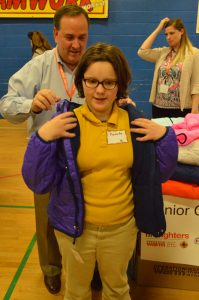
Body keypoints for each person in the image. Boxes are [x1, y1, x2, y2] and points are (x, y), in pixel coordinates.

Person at [22, 42, 178, 300]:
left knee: (117, 289)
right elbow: (37, 181)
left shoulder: (133, 122)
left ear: (119, 84)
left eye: (109, 82)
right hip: (75, 231)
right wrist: (43, 139)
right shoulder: (67, 122)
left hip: (122, 229)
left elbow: (161, 173)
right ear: (82, 82)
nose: (100, 90)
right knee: (76, 291)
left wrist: (164, 137)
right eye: (92, 81)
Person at [0, 5, 90, 294]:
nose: (76, 45)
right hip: (48, 158)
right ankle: (52, 269)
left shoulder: (95, 61)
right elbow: (6, 104)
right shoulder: (38, 65)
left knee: (91, 217)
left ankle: (91, 268)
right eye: (69, 37)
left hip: (89, 156)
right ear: (55, 34)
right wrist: (30, 104)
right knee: (48, 219)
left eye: (82, 37)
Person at [138, 17, 199, 118]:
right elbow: (142, 52)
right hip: (159, 107)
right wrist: (158, 28)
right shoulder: (163, 52)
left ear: (181, 31)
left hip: (181, 109)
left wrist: (195, 109)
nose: (168, 37)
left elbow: (196, 84)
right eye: (166, 34)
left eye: (172, 33)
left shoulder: (194, 53)